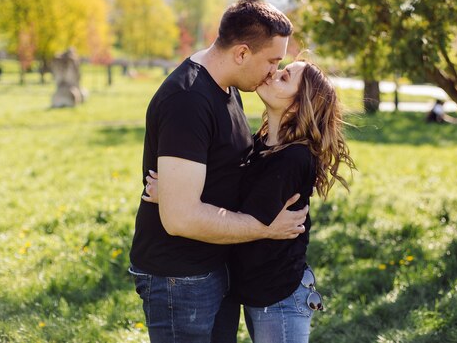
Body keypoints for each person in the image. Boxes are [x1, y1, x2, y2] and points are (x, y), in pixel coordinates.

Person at [128, 0, 308, 343]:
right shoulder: (188, 100)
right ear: (241, 53)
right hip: (180, 278)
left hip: (216, 266)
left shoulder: (227, 87)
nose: (274, 71)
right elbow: (180, 219)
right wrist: (265, 228)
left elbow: (227, 171)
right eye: (272, 61)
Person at [145, 59, 355, 343]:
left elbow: (246, 216)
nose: (273, 73)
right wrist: (178, 193)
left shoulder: (294, 158)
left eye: (284, 77)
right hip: (260, 294)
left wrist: (174, 196)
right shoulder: (263, 144)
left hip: (280, 296)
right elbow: (233, 191)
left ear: (297, 105)